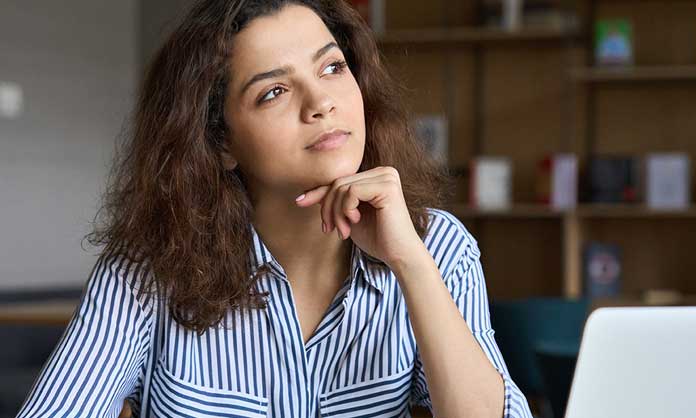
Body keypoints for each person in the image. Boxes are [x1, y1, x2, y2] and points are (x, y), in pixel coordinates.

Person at [16, 1, 534, 417]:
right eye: (274, 92)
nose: (321, 103)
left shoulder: (438, 247)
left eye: (332, 67)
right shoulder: (149, 269)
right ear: (220, 143)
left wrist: (411, 263)